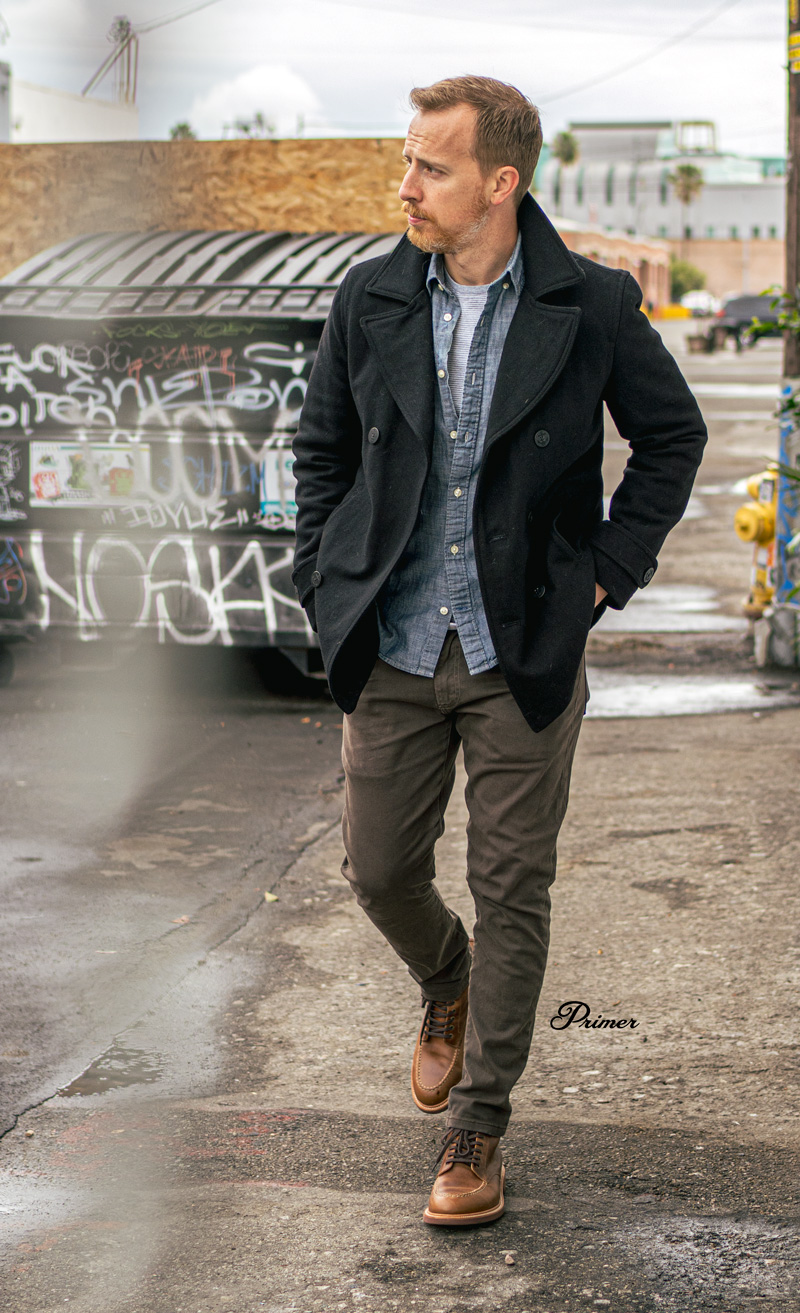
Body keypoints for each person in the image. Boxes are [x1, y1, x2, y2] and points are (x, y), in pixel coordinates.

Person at [291, 75, 706, 1227]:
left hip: (520, 641)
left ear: (498, 183)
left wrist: (605, 575)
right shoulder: (368, 295)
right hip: (392, 639)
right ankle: (444, 977)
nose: (405, 185)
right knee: (377, 868)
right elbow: (320, 452)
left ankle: (479, 1125)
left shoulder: (592, 305)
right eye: (408, 161)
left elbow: (670, 440)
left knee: (512, 881)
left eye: (430, 166)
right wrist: (325, 583)